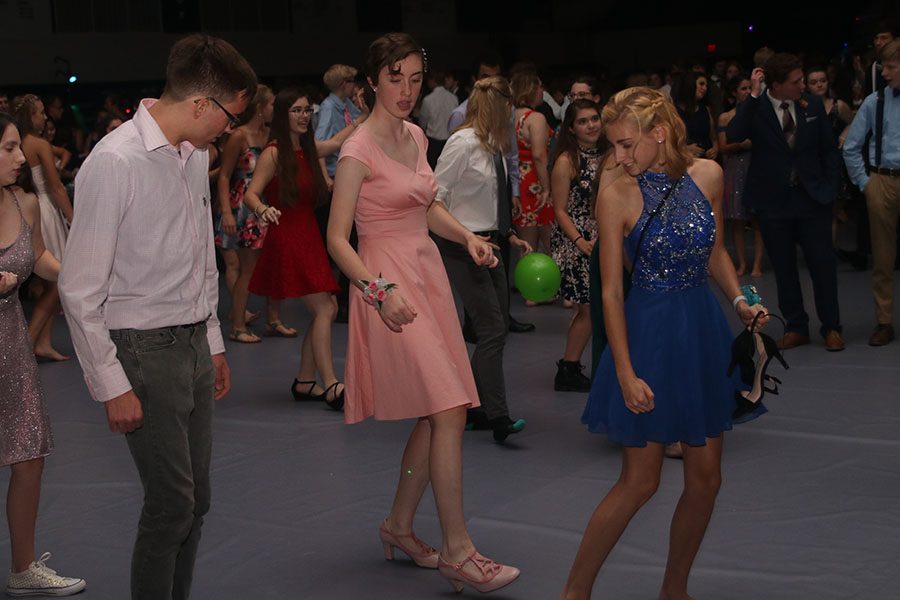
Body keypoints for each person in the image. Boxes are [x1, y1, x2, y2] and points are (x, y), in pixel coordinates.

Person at [58, 34, 255, 599]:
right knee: (172, 506)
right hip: (142, 351)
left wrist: (213, 339)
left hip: (191, 343)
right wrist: (110, 383)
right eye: (230, 116)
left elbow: (201, 256)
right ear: (201, 105)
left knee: (198, 503)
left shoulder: (193, 157)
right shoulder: (114, 162)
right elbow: (79, 288)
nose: (230, 129)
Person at [327, 32, 519, 594]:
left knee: (436, 409)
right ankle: (459, 550)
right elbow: (339, 240)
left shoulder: (414, 134)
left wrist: (469, 236)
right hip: (388, 285)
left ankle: (399, 526)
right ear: (373, 81)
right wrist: (378, 292)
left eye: (415, 78)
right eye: (395, 78)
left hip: (427, 273)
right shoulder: (357, 150)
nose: (407, 90)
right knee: (451, 408)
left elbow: (426, 202)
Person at [562, 87, 767, 600]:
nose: (621, 158)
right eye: (615, 147)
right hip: (649, 335)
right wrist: (625, 372)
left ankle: (675, 589)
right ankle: (574, 593)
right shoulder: (616, 195)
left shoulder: (710, 176)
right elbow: (610, 291)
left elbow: (715, 251)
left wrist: (740, 301)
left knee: (706, 480)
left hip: (702, 330)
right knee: (640, 482)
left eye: (628, 145)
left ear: (659, 133)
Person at [1, 114, 86, 597]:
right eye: (10, 148)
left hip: (10, 349)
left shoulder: (25, 203)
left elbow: (37, 259)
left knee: (29, 456)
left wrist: (80, 273)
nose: (21, 158)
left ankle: (23, 568)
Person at [244, 87, 358, 409]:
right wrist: (263, 210)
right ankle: (332, 383)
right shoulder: (274, 153)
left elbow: (337, 142)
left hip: (308, 232)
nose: (304, 116)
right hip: (288, 234)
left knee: (329, 308)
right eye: (296, 110)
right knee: (324, 309)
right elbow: (252, 194)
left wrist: (367, 116)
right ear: (283, 115)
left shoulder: (306, 150)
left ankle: (306, 381)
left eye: (307, 110)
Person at [432, 75, 531, 441]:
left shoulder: (493, 146)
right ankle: (497, 417)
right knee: (491, 329)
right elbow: (434, 199)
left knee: (496, 328)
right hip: (462, 245)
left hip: (490, 244)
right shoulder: (462, 144)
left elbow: (490, 201)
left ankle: (473, 407)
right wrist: (466, 237)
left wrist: (510, 235)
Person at [726, 53, 844, 351]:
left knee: (822, 265)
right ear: (775, 85)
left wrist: (830, 188)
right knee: (784, 268)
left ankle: (831, 326)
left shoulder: (812, 105)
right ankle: (796, 326)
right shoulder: (757, 108)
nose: (802, 85)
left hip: (812, 199)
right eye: (796, 82)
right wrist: (752, 95)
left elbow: (829, 151)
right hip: (774, 202)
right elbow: (734, 134)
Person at [214, 84, 293, 343]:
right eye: (271, 104)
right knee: (247, 267)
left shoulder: (272, 135)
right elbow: (224, 176)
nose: (274, 109)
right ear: (260, 108)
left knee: (274, 263)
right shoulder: (239, 136)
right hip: (245, 208)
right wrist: (226, 212)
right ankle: (237, 326)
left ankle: (274, 319)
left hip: (269, 204)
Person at [843, 39, 900, 346]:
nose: (885, 73)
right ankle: (884, 321)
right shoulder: (873, 102)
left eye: (891, 67)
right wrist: (866, 185)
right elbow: (851, 147)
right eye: (884, 67)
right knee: (882, 257)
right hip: (882, 180)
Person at [12, 94, 75, 362]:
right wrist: (74, 219)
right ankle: (25, 346)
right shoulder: (38, 144)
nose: (45, 117)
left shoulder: (21, 145)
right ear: (30, 117)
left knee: (51, 284)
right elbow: (56, 187)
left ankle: (43, 343)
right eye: (40, 112)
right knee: (55, 284)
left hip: (30, 209)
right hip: (46, 212)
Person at [550, 99, 603, 392]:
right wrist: (580, 242)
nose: (591, 125)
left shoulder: (608, 154)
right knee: (588, 309)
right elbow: (559, 210)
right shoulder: (567, 161)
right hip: (577, 242)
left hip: (604, 239)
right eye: (583, 121)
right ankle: (568, 370)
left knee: (598, 308)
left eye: (594, 118)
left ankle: (576, 366)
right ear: (571, 128)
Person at [717, 74, 764, 277]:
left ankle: (758, 265)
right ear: (734, 93)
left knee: (757, 219)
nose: (746, 92)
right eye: (743, 88)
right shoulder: (726, 117)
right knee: (736, 219)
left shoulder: (760, 113)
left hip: (756, 166)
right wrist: (742, 145)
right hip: (735, 168)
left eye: (749, 88)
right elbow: (723, 147)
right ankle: (742, 263)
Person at [512, 71, 554, 259]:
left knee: (526, 248)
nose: (542, 91)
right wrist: (546, 188)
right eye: (539, 87)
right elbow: (539, 155)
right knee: (552, 245)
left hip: (517, 182)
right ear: (531, 90)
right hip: (536, 181)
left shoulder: (509, 117)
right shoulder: (535, 118)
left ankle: (526, 286)